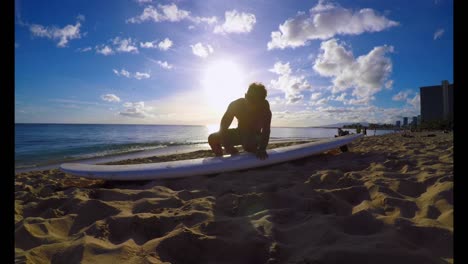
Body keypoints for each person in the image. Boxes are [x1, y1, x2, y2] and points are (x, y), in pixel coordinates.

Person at [208, 82, 272, 160]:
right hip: (239, 133)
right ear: (245, 95)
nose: (249, 103)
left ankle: (251, 149)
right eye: (248, 97)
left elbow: (266, 130)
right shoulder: (236, 105)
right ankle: (220, 160)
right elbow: (223, 127)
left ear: (261, 101)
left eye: (254, 101)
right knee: (212, 138)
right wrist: (226, 144)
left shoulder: (265, 107)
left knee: (248, 144)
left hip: (255, 136)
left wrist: (262, 149)